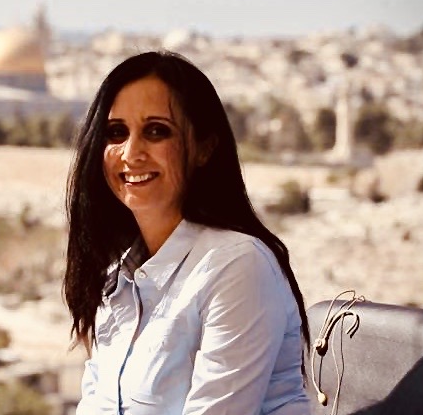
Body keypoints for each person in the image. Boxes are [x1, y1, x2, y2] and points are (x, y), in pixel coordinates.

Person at [64, 51, 310, 414]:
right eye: (116, 132)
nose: (131, 153)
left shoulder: (237, 267)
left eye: (156, 131)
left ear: (204, 148)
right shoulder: (119, 279)